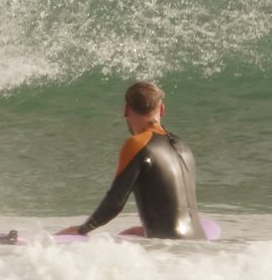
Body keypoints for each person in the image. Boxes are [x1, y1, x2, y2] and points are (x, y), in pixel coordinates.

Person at [58, 80, 207, 240]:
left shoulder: (138, 143)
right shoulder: (183, 146)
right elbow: (175, 201)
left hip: (171, 248)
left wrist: (82, 229)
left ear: (126, 110)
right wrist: (146, 228)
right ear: (161, 110)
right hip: (198, 243)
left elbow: (115, 202)